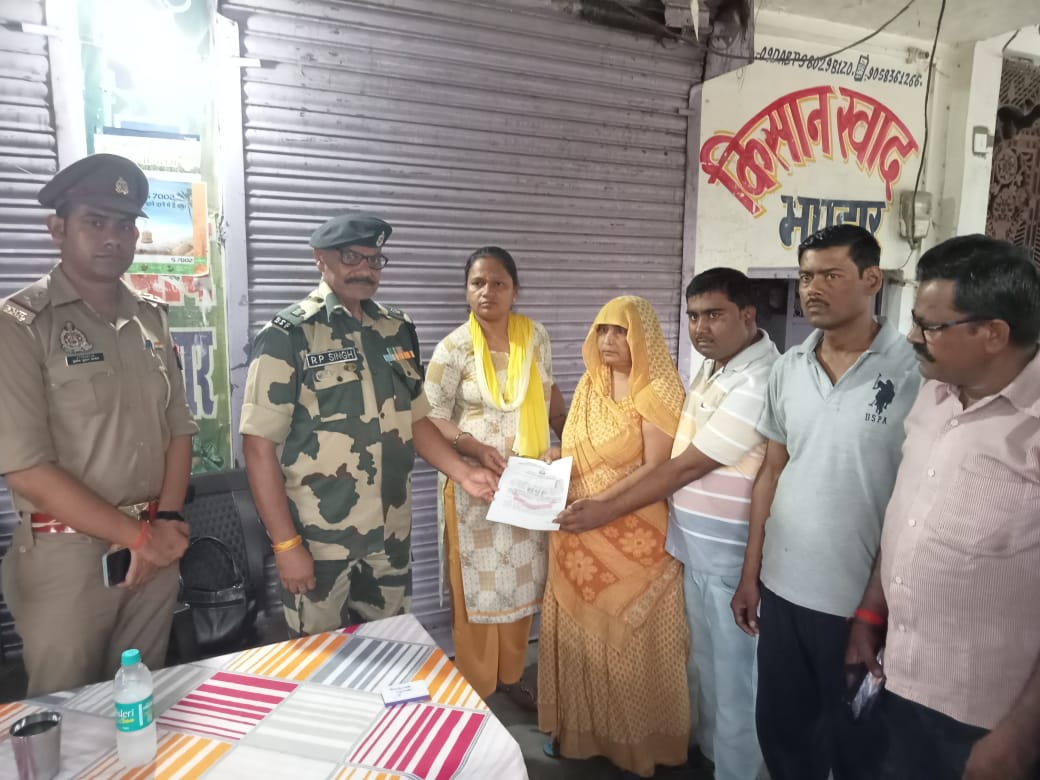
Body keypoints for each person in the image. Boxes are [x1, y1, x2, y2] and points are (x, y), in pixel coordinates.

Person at [561, 269, 778, 779]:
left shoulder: (760, 380)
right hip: (692, 550)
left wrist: (604, 509)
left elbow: (683, 467)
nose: (701, 328)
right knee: (703, 671)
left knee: (737, 684)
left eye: (715, 315)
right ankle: (710, 760)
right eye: (694, 316)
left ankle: (738, 772)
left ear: (747, 315)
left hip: (731, 558)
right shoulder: (712, 370)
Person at [240, 212, 497, 637]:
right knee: (321, 659)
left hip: (389, 537)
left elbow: (415, 418)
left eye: (375, 260)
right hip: (319, 542)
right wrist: (286, 544)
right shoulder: (288, 335)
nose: (365, 269)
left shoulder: (396, 329)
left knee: (391, 646)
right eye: (351, 257)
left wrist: (465, 473)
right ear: (320, 258)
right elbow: (258, 447)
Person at [0, 154, 196, 696]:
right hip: (70, 560)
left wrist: (166, 522)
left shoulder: (151, 319)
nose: (114, 237)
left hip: (154, 550)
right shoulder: (20, 325)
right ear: (57, 228)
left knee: (144, 701)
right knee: (67, 710)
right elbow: (26, 468)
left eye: (125, 224)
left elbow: (179, 428)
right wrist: (138, 537)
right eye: (95, 221)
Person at [846, 235, 1040, 780]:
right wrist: (871, 612)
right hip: (897, 678)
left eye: (929, 326)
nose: (912, 337)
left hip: (987, 719)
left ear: (993, 334)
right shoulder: (933, 396)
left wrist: (1019, 737)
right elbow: (908, 515)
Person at [730, 224, 918, 780]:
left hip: (858, 603)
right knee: (783, 735)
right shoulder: (788, 367)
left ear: (872, 279)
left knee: (857, 746)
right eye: (806, 276)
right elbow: (772, 470)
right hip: (783, 592)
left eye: (831, 275)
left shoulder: (914, 371)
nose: (812, 288)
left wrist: (876, 608)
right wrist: (750, 573)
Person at [539, 295, 690, 778]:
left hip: (634, 537)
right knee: (579, 640)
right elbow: (577, 447)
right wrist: (556, 455)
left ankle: (636, 746)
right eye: (602, 329)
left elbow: (656, 469)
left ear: (642, 336)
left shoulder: (659, 390)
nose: (608, 340)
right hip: (576, 532)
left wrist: (601, 506)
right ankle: (578, 733)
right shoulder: (591, 384)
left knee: (630, 645)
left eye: (620, 331)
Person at [424, 246, 566, 710]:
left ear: (515, 291)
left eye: (499, 283)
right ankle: (477, 688)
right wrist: (471, 447)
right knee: (478, 593)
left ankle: (511, 676)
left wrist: (569, 437)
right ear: (466, 291)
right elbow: (429, 416)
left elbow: (549, 392)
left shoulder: (535, 337)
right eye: (478, 283)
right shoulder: (454, 348)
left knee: (522, 584)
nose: (488, 291)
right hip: (475, 488)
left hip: (527, 484)